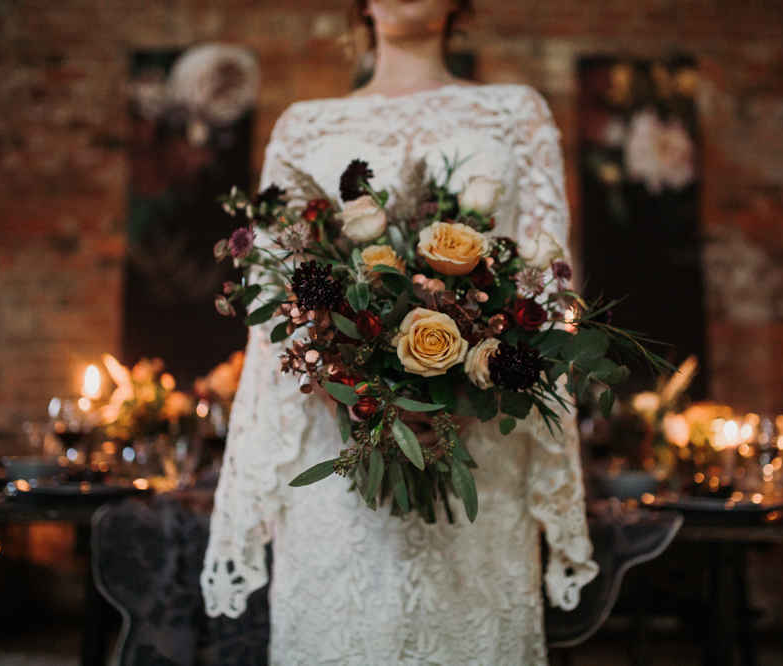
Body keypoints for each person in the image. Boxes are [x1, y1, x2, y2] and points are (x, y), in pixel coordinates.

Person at [201, 1, 598, 663]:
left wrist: (470, 389)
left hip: (479, 448)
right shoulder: (304, 126)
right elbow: (273, 296)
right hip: (338, 453)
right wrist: (348, 388)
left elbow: (548, 281)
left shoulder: (515, 112)